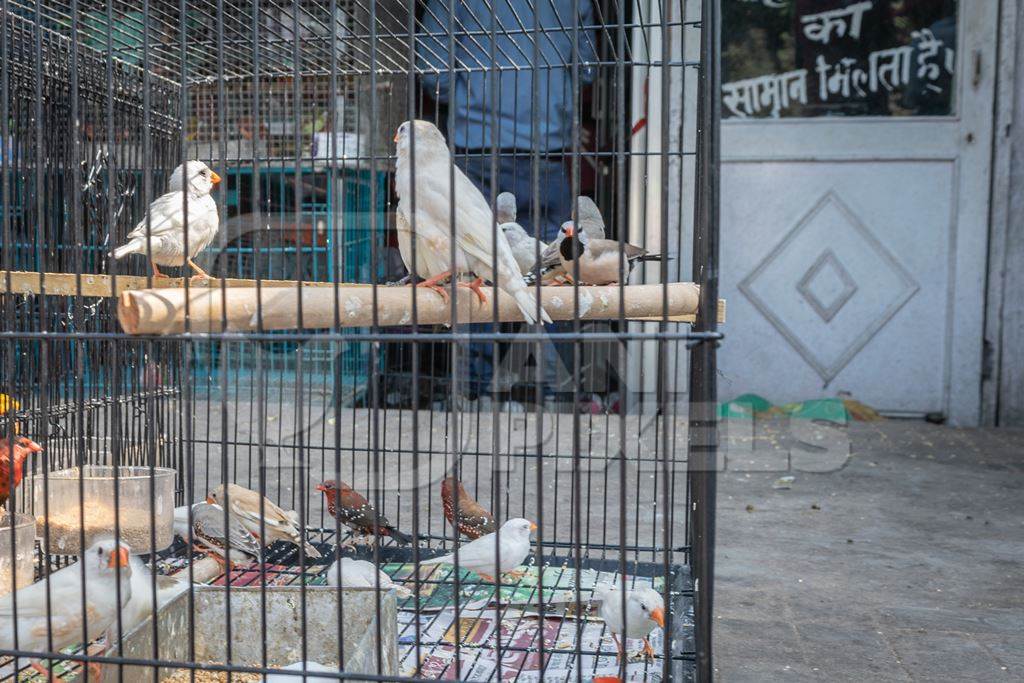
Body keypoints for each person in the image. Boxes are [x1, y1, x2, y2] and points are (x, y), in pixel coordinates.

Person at [416, 0, 598, 400]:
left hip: (476, 153)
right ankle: (562, 393)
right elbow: (587, 68)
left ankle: (473, 393)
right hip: (545, 153)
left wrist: (475, 92)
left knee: (475, 271)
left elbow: (433, 76)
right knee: (557, 270)